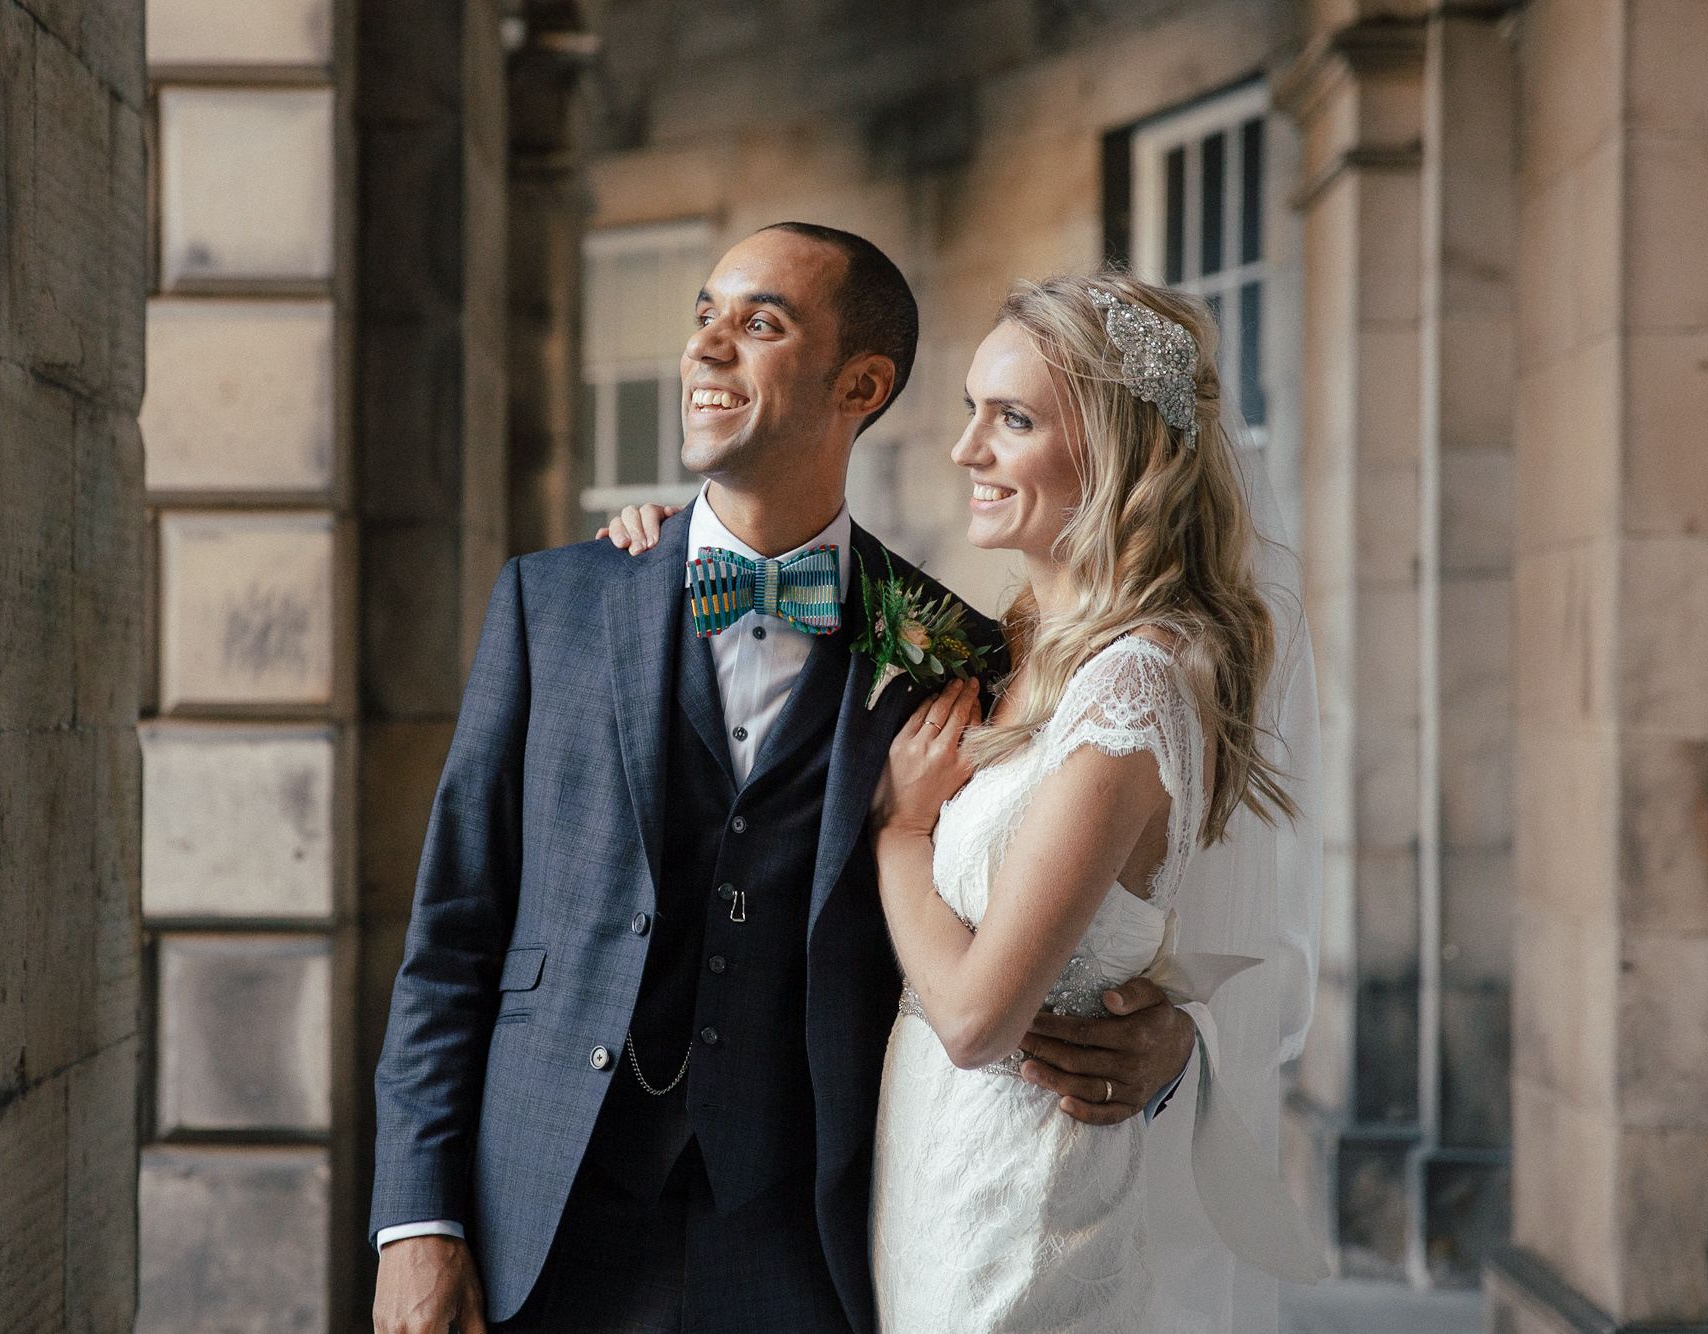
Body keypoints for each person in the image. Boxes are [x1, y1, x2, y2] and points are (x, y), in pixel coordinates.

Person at [369, 227, 1198, 1334]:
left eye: (757, 323)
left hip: (802, 1242)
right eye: (702, 315)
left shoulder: (957, 652)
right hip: (544, 1217)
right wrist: (414, 1217)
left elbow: (1079, 898)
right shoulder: (553, 603)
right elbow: (453, 930)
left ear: (860, 384)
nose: (705, 348)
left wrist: (1169, 1043)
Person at [601, 274, 1326, 1330]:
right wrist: (673, 543)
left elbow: (982, 1014)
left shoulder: (1135, 680)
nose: (965, 449)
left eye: (1014, 419)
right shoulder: (1000, 643)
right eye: (971, 410)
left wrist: (901, 831)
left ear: (1120, 454)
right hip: (925, 1177)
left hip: (1026, 1195)